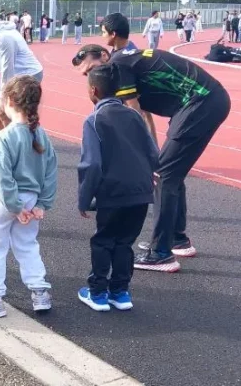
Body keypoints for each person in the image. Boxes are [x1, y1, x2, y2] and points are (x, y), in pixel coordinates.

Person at [72, 41, 231, 272]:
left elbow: (133, 114)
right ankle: (177, 239)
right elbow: (144, 115)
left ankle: (161, 253)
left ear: (105, 57)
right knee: (170, 171)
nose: (90, 76)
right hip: (204, 102)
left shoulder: (118, 66)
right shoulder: (124, 64)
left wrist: (141, 158)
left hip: (200, 103)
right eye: (85, 74)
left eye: (90, 69)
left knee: (164, 176)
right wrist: (151, 154)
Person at [76, 63, 159, 312]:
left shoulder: (94, 120)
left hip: (112, 192)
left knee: (104, 240)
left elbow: (91, 164)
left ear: (93, 91)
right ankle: (120, 291)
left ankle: (98, 291)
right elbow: (153, 153)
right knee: (125, 242)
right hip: (140, 192)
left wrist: (84, 198)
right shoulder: (134, 115)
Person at [0, 75, 57, 318]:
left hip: (3, 200)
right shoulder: (41, 135)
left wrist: (14, 205)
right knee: (27, 244)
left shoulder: (3, 138)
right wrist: (43, 203)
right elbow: (51, 172)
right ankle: (40, 291)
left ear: (9, 100)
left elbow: (3, 177)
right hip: (32, 198)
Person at [0, 13, 44, 130]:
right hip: (15, 77)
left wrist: (2, 98)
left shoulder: (4, 38)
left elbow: (7, 70)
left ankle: (23, 141)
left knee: (12, 113)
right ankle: (10, 142)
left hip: (30, 75)